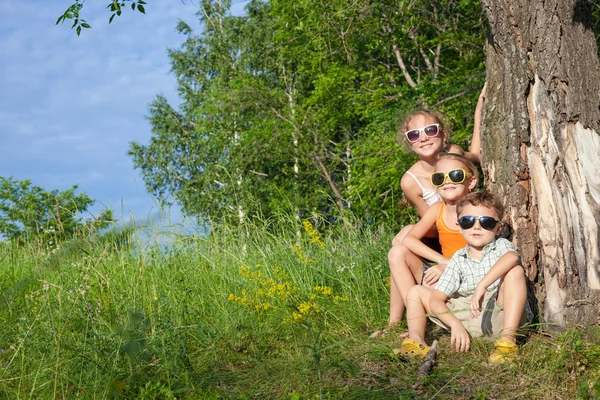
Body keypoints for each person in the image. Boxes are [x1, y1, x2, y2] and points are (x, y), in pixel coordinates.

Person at [397, 190, 531, 364]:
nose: (476, 227)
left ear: (498, 228)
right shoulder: (458, 258)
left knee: (515, 272)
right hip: (466, 315)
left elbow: (513, 258)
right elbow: (437, 299)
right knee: (416, 292)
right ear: (459, 226)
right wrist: (455, 325)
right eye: (467, 221)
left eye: (486, 222)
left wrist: (483, 285)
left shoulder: (501, 246)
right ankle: (416, 341)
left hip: (499, 312)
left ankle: (507, 342)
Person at [372, 153, 479, 339]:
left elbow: (482, 254)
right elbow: (409, 239)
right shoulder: (438, 208)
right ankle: (417, 320)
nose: (447, 182)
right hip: (445, 277)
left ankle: (428, 322)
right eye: (439, 178)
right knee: (397, 252)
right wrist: (441, 261)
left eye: (455, 176)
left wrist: (450, 266)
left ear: (471, 182)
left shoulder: (478, 210)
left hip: (467, 283)